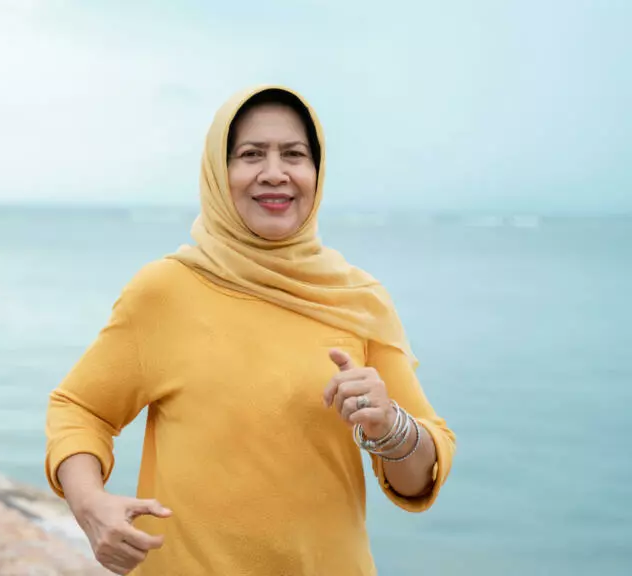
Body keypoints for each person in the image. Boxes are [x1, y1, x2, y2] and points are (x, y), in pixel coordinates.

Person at [44, 84, 456, 575]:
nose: (275, 173)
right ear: (221, 172)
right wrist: (90, 504)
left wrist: (389, 425)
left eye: (294, 155)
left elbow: (419, 478)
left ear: (316, 173)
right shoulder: (166, 290)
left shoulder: (358, 301)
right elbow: (81, 408)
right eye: (251, 155)